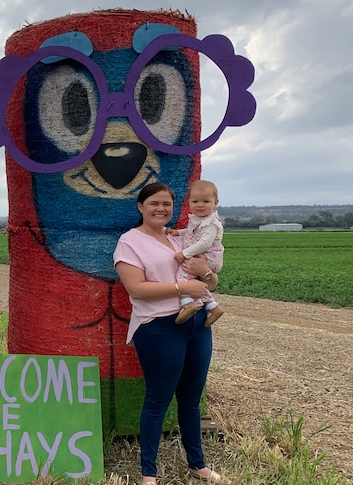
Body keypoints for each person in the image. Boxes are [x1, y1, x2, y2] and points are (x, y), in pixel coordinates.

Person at [113, 182, 226, 485]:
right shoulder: (129, 242)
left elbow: (210, 282)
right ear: (141, 207)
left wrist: (204, 273)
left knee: (191, 400)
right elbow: (136, 288)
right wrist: (181, 288)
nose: (161, 209)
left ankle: (197, 465)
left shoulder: (182, 238)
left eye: (167, 204)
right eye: (154, 203)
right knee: (158, 400)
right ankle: (149, 473)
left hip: (198, 324)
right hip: (159, 327)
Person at [168, 180, 225, 326]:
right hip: (204, 257)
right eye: (195, 201)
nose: (200, 205)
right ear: (189, 202)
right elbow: (192, 232)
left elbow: (205, 243)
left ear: (215, 202)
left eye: (206, 201)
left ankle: (188, 304)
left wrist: (185, 253)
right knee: (197, 282)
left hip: (208, 257)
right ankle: (213, 307)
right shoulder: (199, 220)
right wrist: (178, 232)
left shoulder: (211, 223)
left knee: (182, 276)